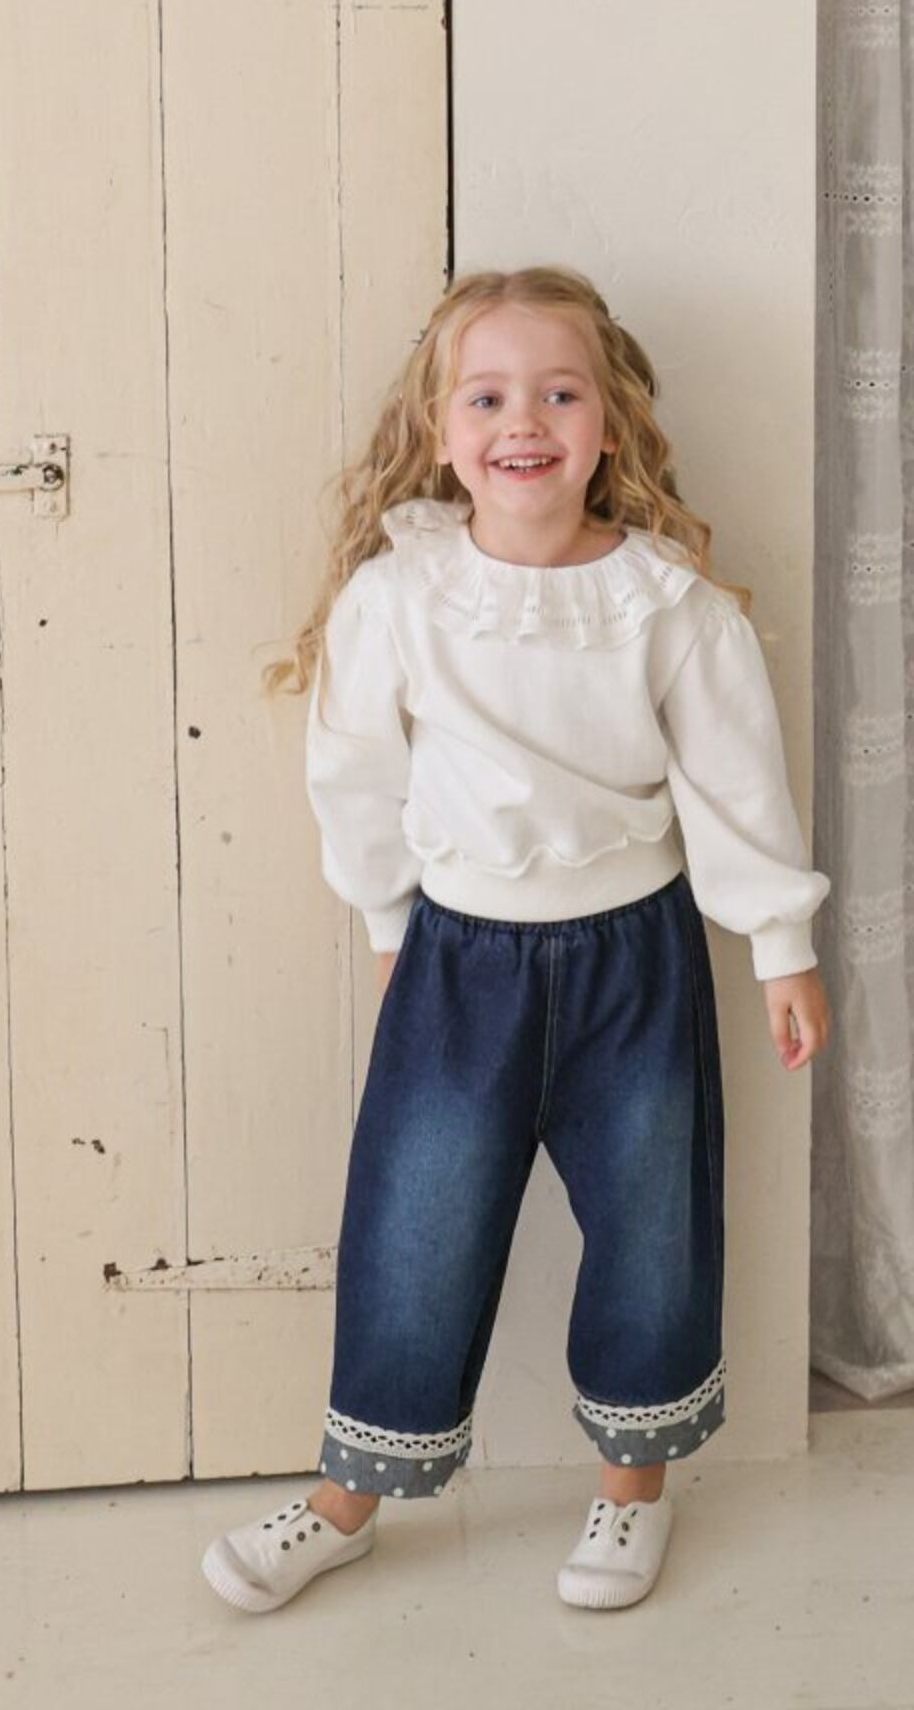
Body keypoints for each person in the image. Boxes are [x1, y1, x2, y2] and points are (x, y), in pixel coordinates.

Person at [200, 264, 833, 1615]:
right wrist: (388, 921)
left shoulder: (668, 604)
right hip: (458, 962)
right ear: (440, 432)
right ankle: (350, 1500)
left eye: (558, 393)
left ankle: (632, 1492)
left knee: (653, 1227)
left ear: (610, 425)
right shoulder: (401, 597)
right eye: (485, 397)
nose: (523, 420)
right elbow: (355, 773)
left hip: (635, 961)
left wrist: (781, 942)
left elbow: (735, 779)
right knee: (415, 1226)